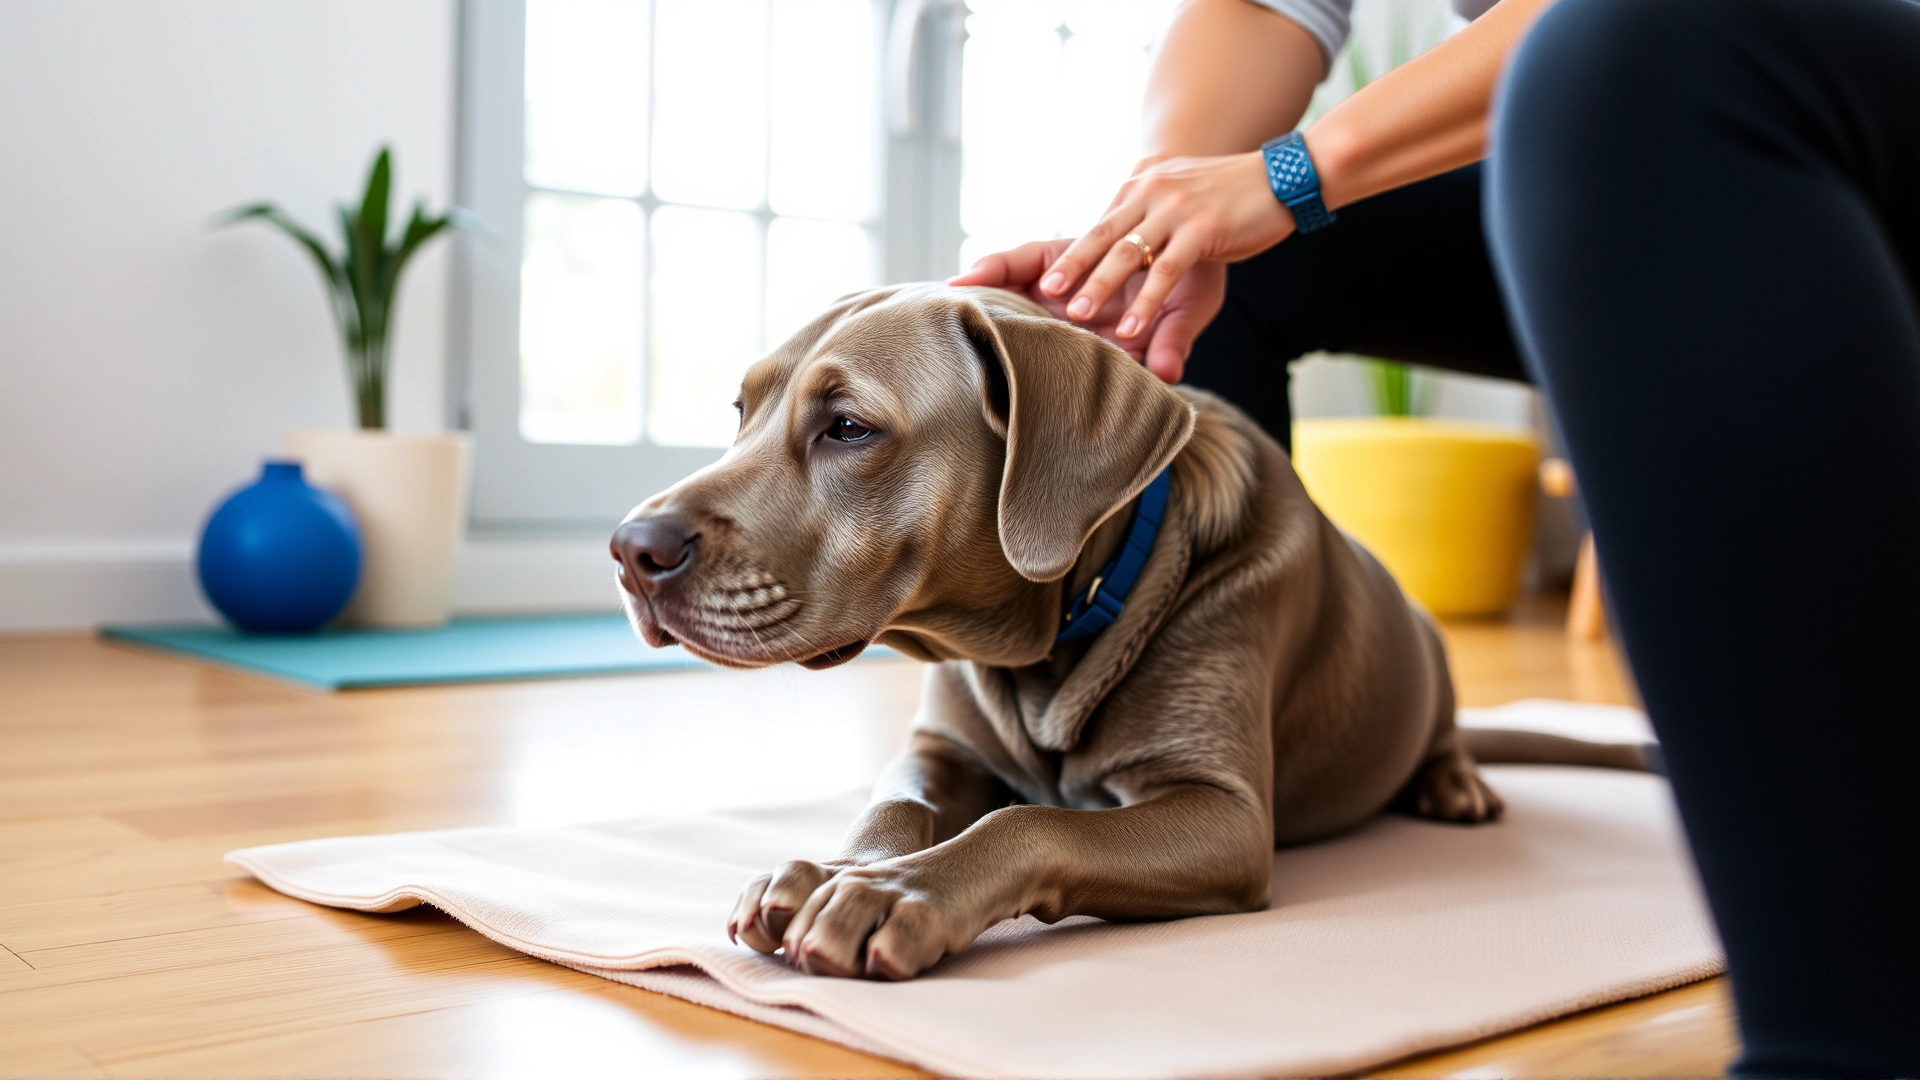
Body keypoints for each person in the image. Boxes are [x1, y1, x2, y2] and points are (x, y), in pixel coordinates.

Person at [951, 0, 1920, 1075]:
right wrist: (1156, 222)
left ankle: (1845, 1041)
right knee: (1198, 277)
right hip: (1631, 93)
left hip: (1799, 95)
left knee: (1635, 57)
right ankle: (1188, 796)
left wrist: (1284, 175)